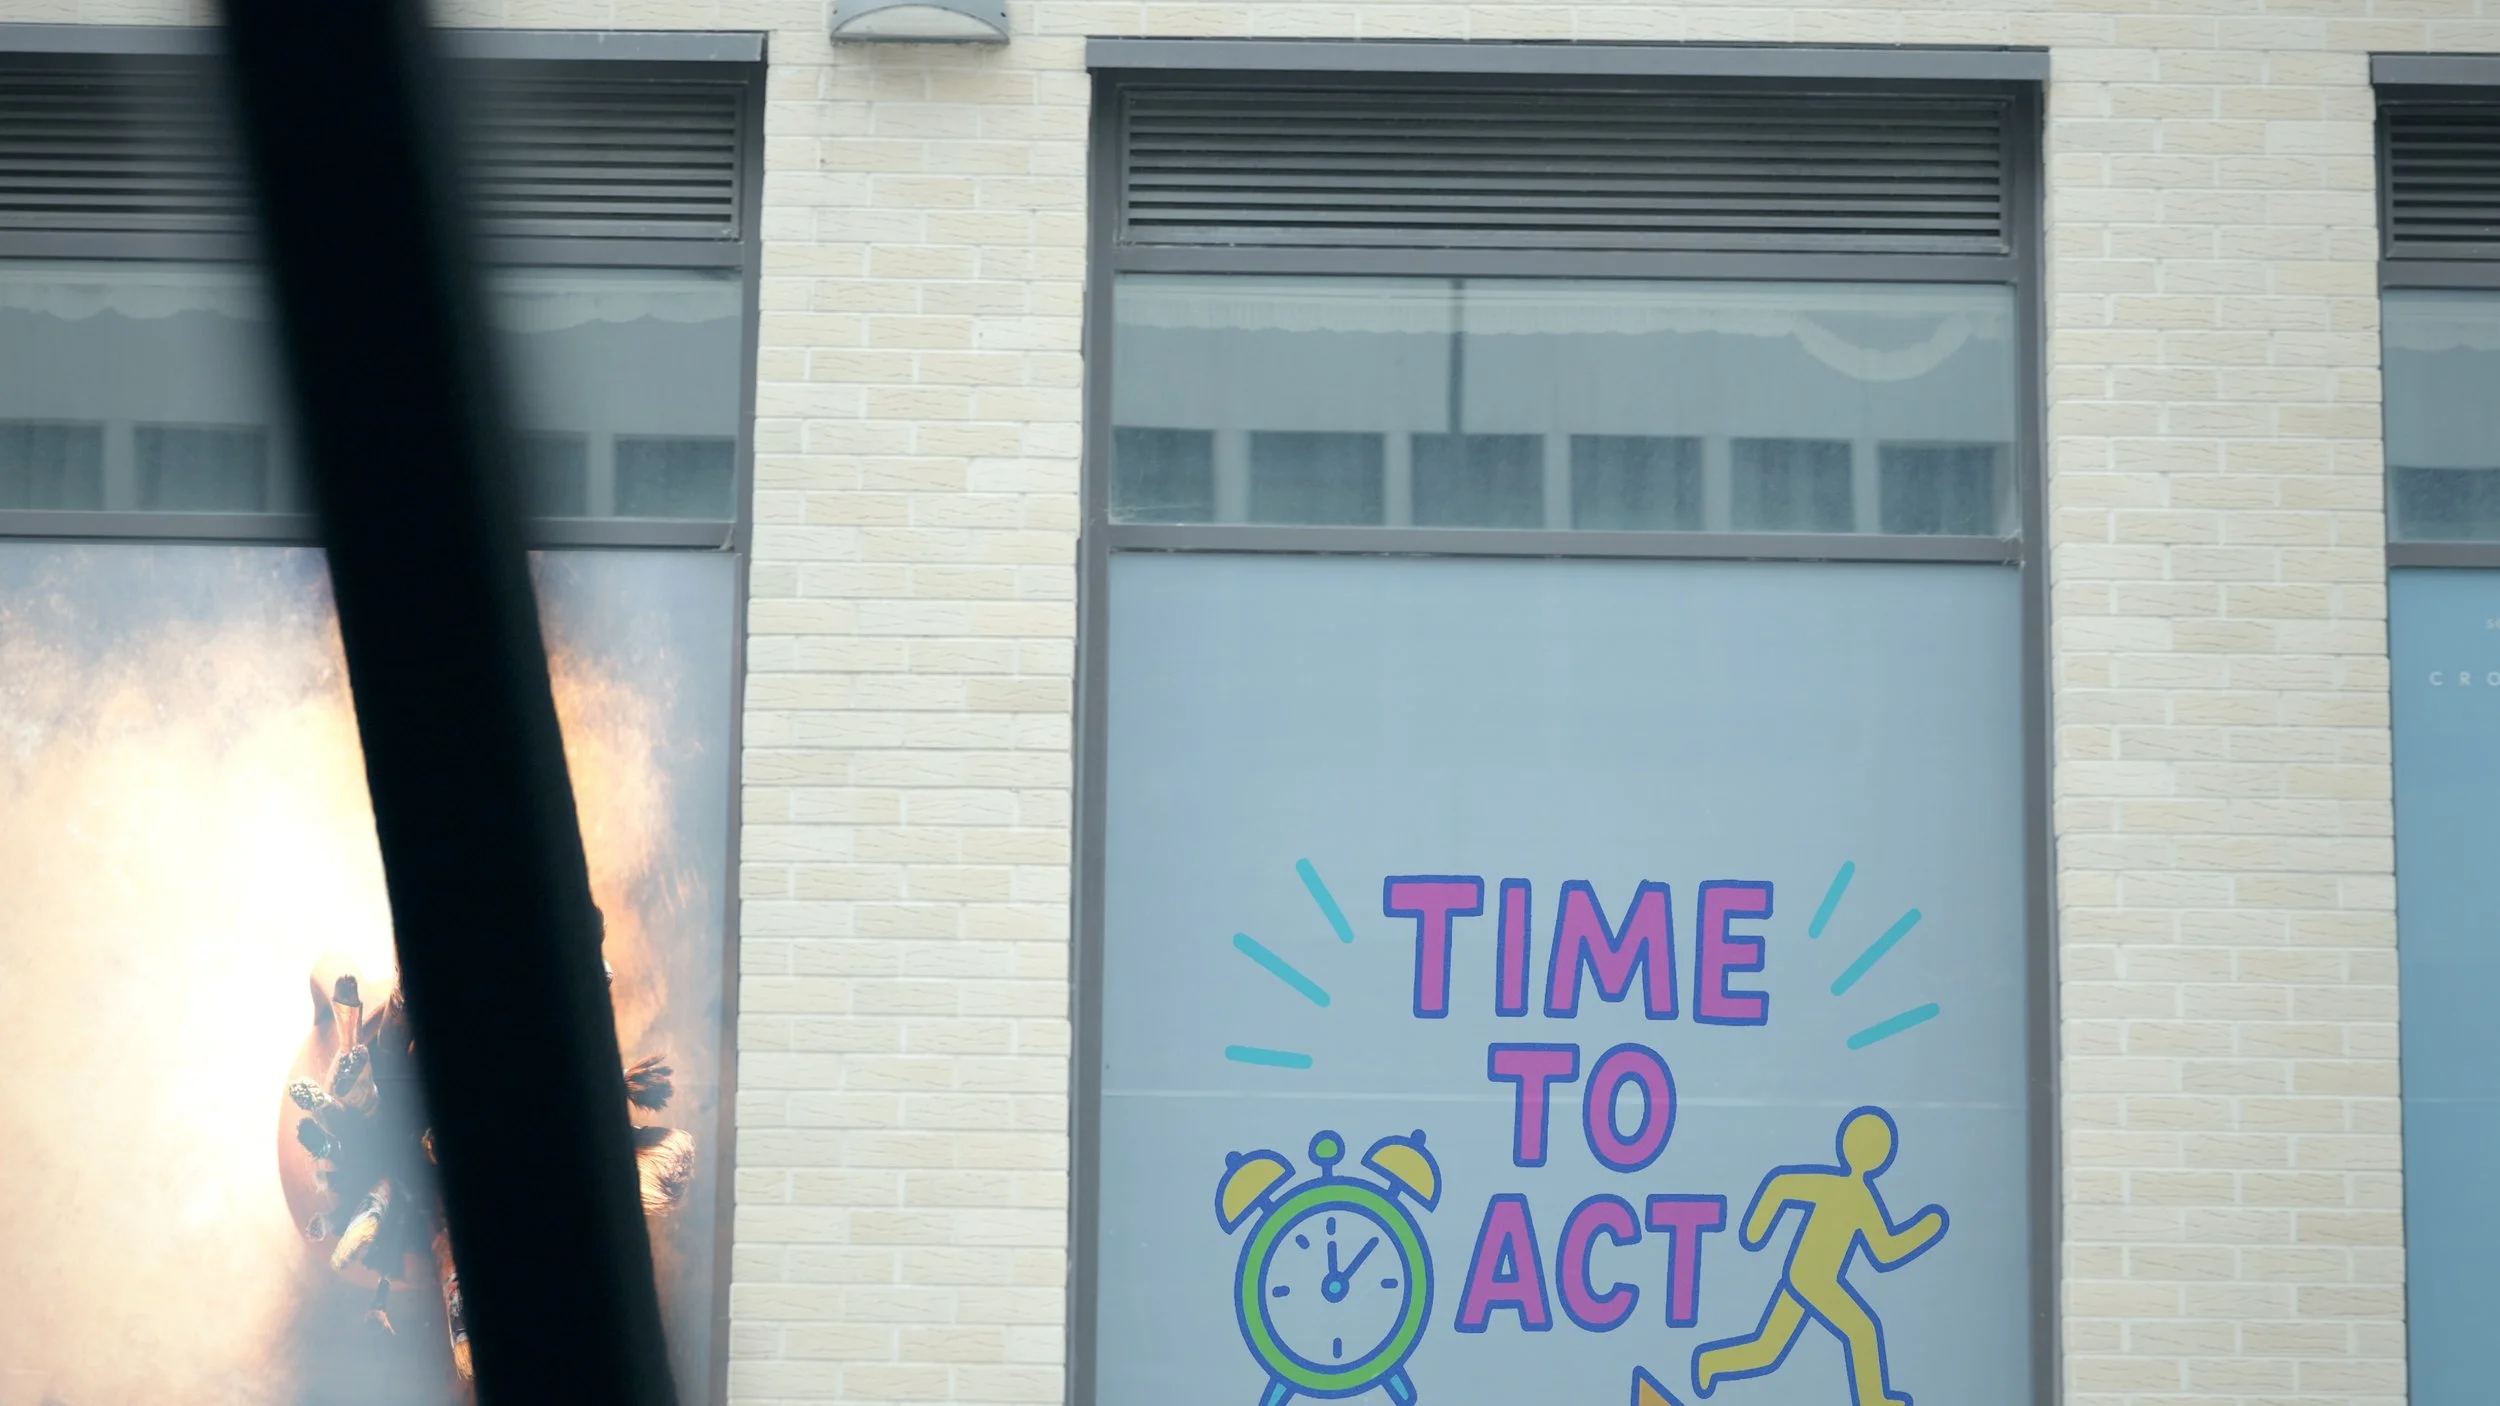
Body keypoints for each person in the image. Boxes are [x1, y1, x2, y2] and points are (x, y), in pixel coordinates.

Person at [1693, 1106, 1947, 1406]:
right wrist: (1756, 1229)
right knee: (1862, 1329)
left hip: (1806, 1277)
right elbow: (1782, 1185)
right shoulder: (1840, 1189)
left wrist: (1923, 1231)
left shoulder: (1858, 1197)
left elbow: (1884, 1251)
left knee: (1768, 1349)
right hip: (1813, 1280)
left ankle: (1710, 1363)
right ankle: (1872, 1399)